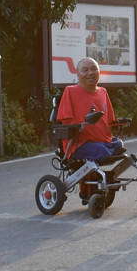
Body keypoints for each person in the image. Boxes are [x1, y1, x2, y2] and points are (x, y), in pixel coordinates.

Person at [55, 57, 124, 205]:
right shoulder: (70, 91)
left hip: (102, 141)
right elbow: (66, 122)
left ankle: (100, 181)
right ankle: (92, 186)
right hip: (80, 143)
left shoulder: (103, 92)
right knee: (101, 151)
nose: (90, 73)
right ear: (77, 73)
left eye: (94, 69)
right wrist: (84, 123)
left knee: (119, 145)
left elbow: (110, 120)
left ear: (99, 72)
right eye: (85, 70)